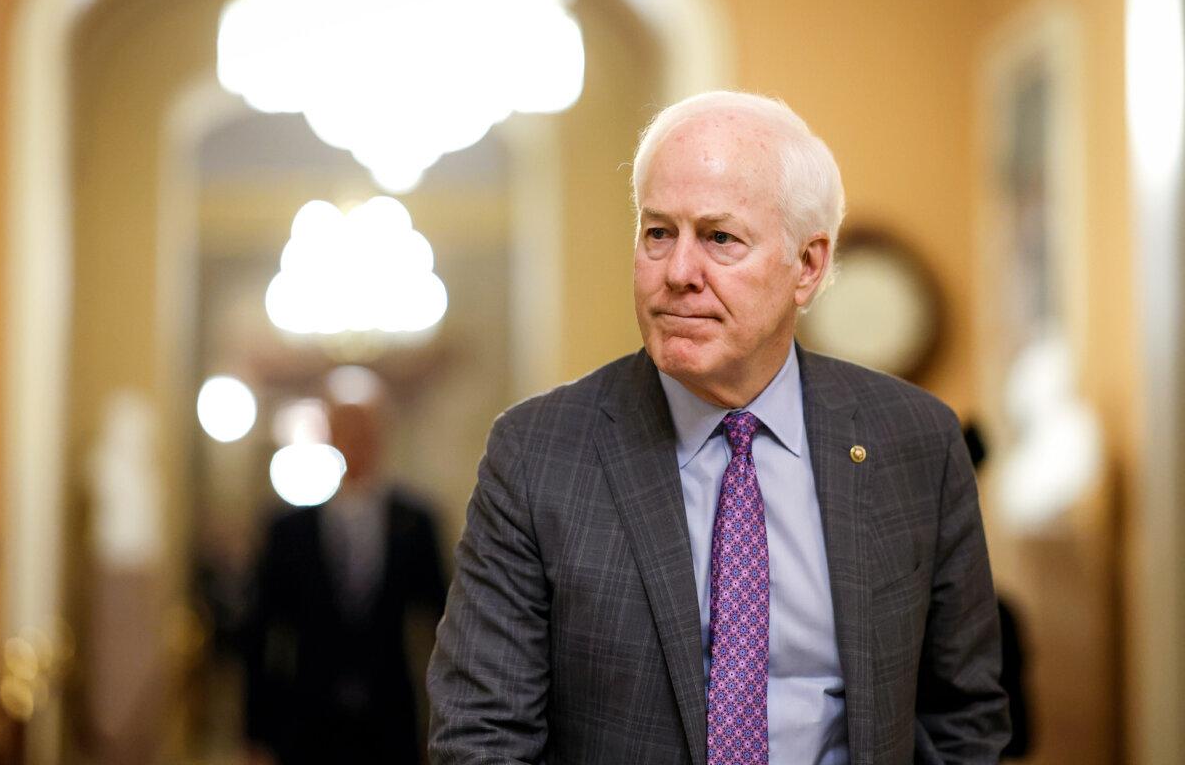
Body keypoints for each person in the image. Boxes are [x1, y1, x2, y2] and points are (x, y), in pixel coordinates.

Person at [427, 91, 1009, 764]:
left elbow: (964, 716)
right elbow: (481, 737)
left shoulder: (916, 442)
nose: (678, 273)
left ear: (809, 265)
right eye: (658, 233)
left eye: (719, 238)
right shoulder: (537, 453)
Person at [245, 376, 447, 765]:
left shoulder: (416, 522)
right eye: (347, 428)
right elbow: (263, 631)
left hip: (390, 718)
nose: (357, 440)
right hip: (307, 719)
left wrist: (444, 722)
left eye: (366, 428)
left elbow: (442, 623)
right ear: (330, 434)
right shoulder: (288, 530)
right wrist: (256, 730)